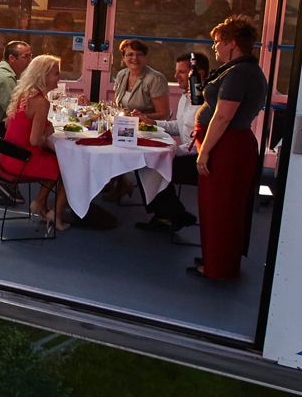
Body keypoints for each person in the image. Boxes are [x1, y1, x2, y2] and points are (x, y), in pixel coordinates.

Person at [189, 17, 268, 280]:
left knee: (221, 208)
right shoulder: (243, 70)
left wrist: (205, 151)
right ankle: (217, 256)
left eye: (218, 42)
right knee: (223, 206)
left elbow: (223, 117)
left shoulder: (239, 74)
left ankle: (218, 267)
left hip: (227, 147)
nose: (214, 47)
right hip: (230, 143)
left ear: (232, 44)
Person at [137, 50, 210, 234]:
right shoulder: (186, 96)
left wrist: (172, 150)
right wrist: (151, 122)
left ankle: (172, 215)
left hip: (198, 159)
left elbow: (198, 140)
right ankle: (169, 215)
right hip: (185, 152)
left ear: (198, 74)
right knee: (145, 161)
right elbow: (179, 126)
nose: (176, 76)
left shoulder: (206, 101)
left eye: (182, 72)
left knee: (150, 163)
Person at [0, 54, 68, 230]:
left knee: (56, 161)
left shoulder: (24, 94)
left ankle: (40, 204)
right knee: (68, 166)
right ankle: (55, 213)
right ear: (43, 76)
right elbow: (35, 141)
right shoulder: (41, 102)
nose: (60, 77)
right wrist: (48, 131)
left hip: (8, 156)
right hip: (22, 161)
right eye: (56, 73)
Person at [112, 39, 171, 120]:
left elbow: (165, 115)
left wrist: (142, 117)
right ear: (123, 57)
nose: (135, 58)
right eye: (130, 54)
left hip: (147, 128)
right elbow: (115, 105)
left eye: (139, 54)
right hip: (123, 125)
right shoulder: (121, 75)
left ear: (145, 57)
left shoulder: (155, 79)